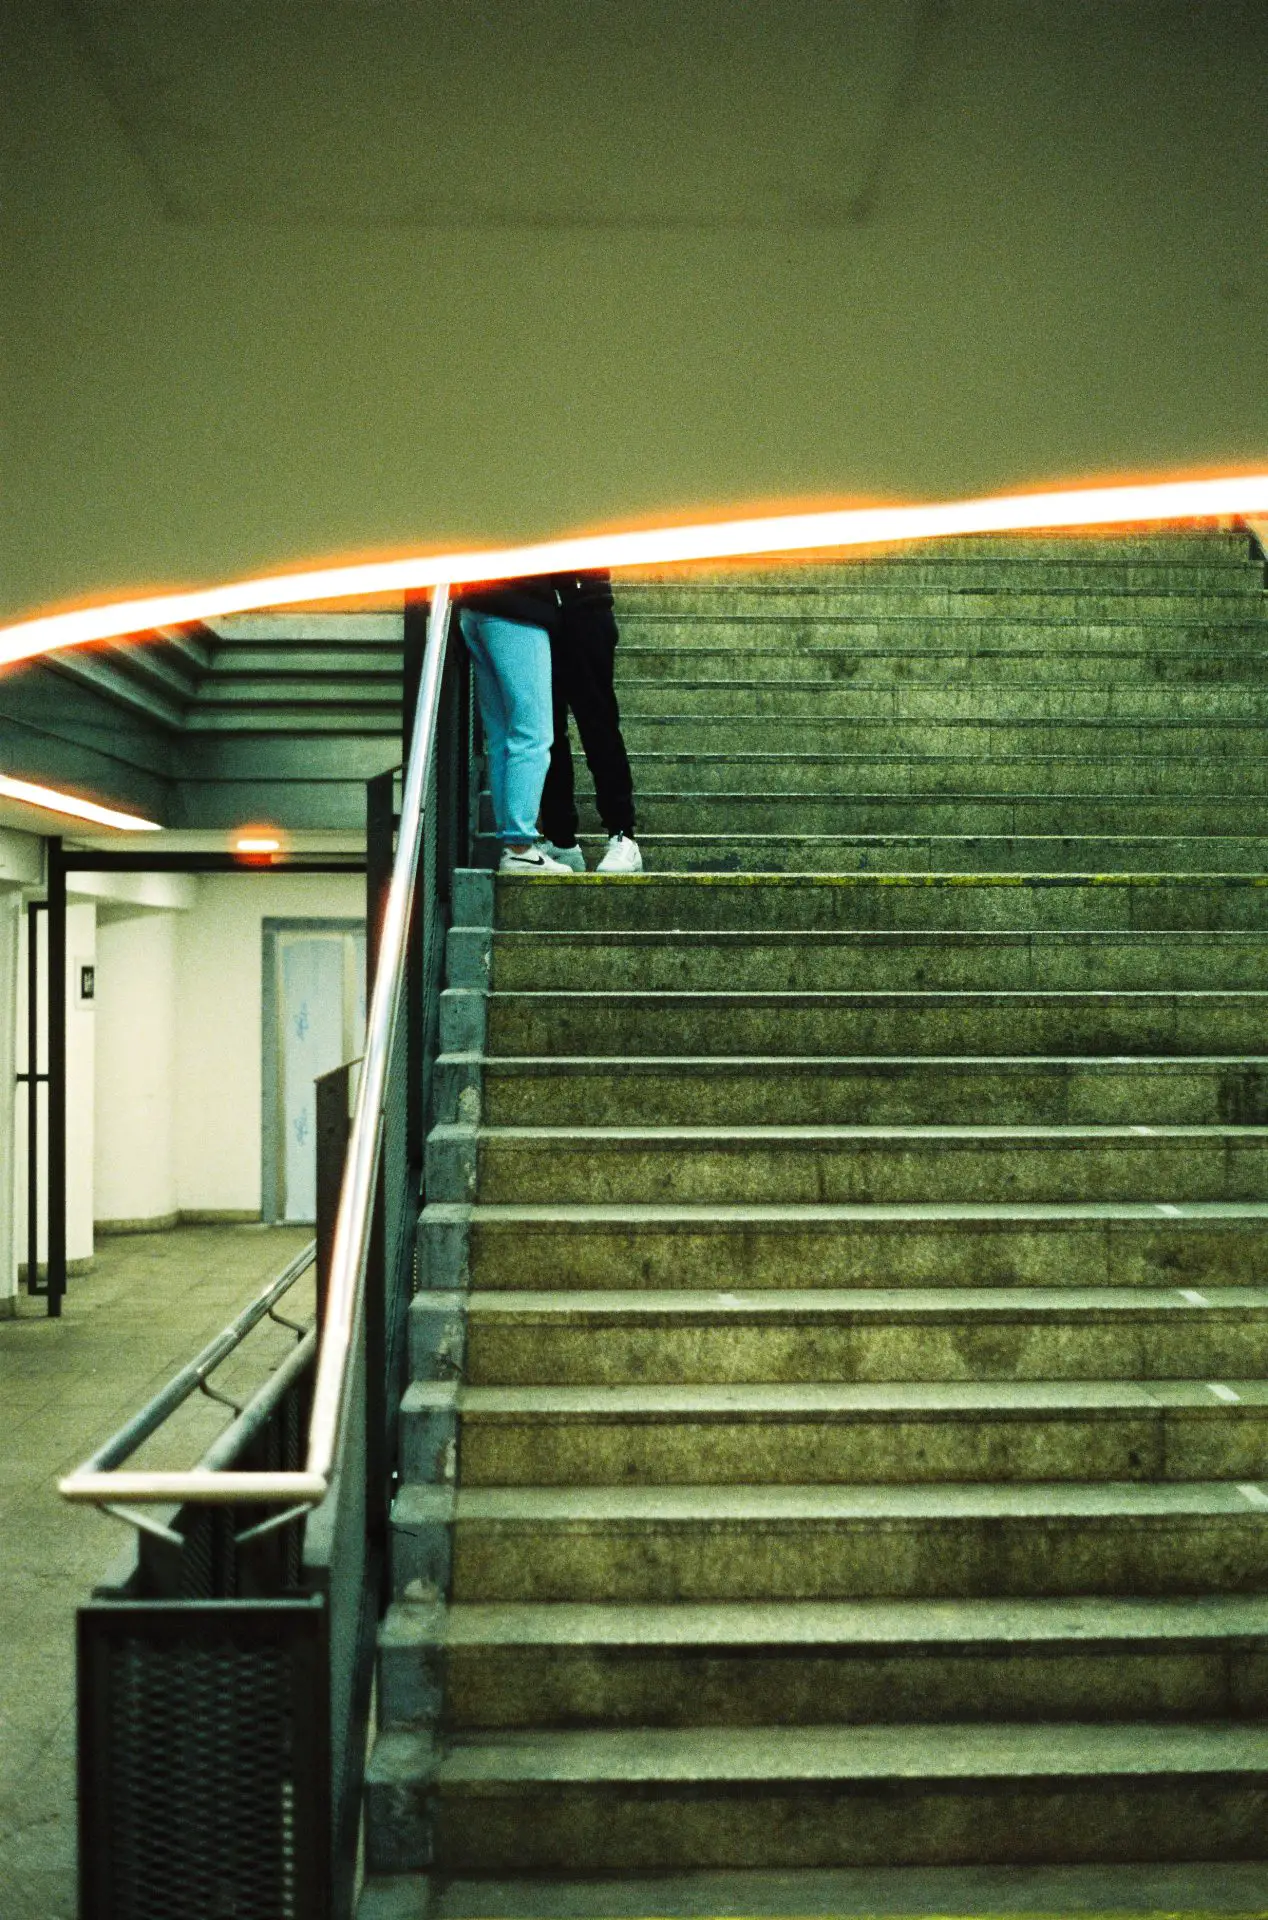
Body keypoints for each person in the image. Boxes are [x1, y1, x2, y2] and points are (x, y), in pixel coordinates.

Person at [454, 577, 573, 875]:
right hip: (518, 607)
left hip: (477, 605)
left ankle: (513, 843)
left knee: (502, 737)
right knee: (532, 735)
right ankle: (520, 845)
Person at [539, 569, 642, 874]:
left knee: (597, 725)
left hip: (585, 601)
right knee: (548, 730)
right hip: (542, 606)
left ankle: (623, 836)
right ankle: (561, 840)